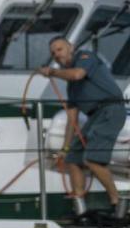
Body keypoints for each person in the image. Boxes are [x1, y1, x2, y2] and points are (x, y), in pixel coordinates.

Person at [40, 36, 127, 214]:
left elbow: (77, 74)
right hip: (95, 116)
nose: (56, 54)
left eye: (59, 49)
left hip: (111, 110)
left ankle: (116, 202)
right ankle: (80, 206)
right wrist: (65, 148)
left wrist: (52, 72)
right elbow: (72, 120)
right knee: (72, 158)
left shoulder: (85, 57)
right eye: (53, 52)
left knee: (92, 160)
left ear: (71, 48)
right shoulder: (72, 89)